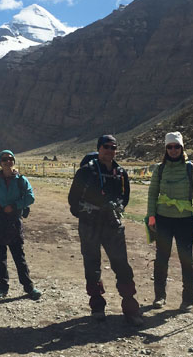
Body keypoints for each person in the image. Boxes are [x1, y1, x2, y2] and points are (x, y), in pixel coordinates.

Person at [68, 135, 143, 326]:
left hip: (112, 224)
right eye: (106, 147)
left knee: (121, 264)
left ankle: (130, 306)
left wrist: (116, 209)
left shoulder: (121, 172)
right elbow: (72, 198)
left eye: (113, 147)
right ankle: (97, 306)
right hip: (90, 224)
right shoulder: (86, 172)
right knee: (92, 264)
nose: (110, 150)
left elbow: (125, 197)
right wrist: (86, 213)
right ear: (99, 148)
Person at [146, 131, 193, 312]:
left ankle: (188, 299)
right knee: (162, 258)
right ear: (165, 149)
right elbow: (152, 194)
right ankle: (160, 296)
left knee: (186, 259)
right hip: (163, 220)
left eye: (177, 146)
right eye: (170, 147)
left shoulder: (190, 168)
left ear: (182, 148)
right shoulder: (159, 169)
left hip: (184, 220)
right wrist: (151, 216)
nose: (173, 150)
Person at [0, 150, 42, 300]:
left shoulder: (21, 180)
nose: (8, 161)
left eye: (10, 159)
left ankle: (29, 287)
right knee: (0, 257)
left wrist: (15, 206)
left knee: (19, 256)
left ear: (14, 161)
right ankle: (2, 288)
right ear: (0, 162)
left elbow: (30, 197)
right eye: (4, 159)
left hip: (14, 221)